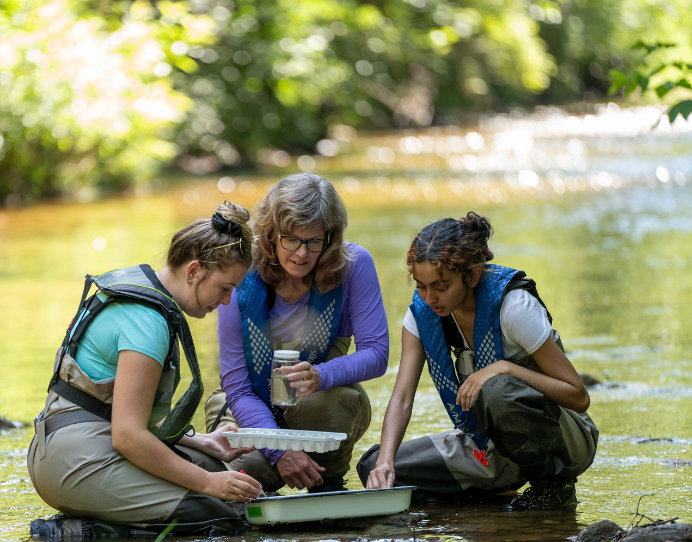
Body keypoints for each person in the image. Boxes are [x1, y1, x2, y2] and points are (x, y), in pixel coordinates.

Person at [27, 201, 262, 537]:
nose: (226, 302)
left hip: (67, 445)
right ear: (194, 271)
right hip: (72, 462)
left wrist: (202, 442)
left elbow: (122, 411)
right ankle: (79, 533)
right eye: (225, 288)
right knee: (219, 518)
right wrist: (209, 483)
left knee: (213, 469)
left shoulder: (147, 295)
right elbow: (128, 436)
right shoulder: (147, 322)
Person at [359, 212, 599, 510]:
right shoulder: (422, 315)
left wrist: (507, 368)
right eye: (421, 286)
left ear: (471, 275)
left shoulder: (514, 308)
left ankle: (554, 488)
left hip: (566, 441)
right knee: (373, 466)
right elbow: (403, 399)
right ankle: (484, 498)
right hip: (489, 448)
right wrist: (385, 463)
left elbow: (578, 397)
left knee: (496, 389)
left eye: (441, 285)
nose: (429, 298)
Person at [205, 173, 389, 494]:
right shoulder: (238, 271)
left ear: (330, 238)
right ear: (270, 234)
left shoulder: (355, 263)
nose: (302, 254)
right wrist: (279, 450)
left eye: (314, 241)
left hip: (321, 402)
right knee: (243, 474)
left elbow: (376, 354)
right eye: (291, 239)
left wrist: (320, 375)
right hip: (246, 402)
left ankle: (328, 483)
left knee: (324, 403)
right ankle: (274, 477)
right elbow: (237, 387)